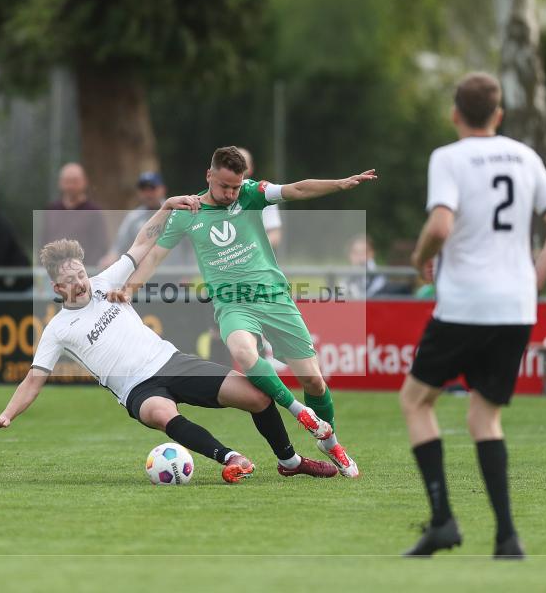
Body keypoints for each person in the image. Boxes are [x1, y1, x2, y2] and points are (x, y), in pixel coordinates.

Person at [0, 198, 338, 483]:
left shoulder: (106, 281)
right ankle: (230, 458)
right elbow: (34, 378)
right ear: (58, 288)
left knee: (257, 397)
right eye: (70, 279)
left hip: (172, 361)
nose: (80, 281)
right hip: (136, 388)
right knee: (160, 413)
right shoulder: (58, 328)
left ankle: (289, 461)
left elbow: (142, 243)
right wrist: (7, 414)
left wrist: (166, 208)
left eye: (80, 273)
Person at [116, 146, 378, 478]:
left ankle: (331, 443)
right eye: (225, 186)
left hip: (274, 298)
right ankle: (299, 412)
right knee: (242, 350)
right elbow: (153, 257)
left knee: (313, 380)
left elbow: (296, 189)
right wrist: (128, 289)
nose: (230, 193)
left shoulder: (252, 195)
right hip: (232, 303)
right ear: (209, 176)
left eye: (236, 187)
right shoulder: (187, 212)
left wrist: (339, 184)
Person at [400, 72, 546, 558]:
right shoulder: (524, 155)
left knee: (416, 401)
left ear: (455, 114)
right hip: (514, 308)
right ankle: (506, 537)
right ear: (499, 115)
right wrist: (533, 280)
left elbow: (440, 223)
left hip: (464, 304)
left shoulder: (448, 157)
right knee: (485, 416)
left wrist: (420, 260)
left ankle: (442, 521)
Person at [98, 171, 193, 270]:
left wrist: (188, 273)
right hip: (144, 279)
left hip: (175, 278)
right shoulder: (133, 218)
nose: (148, 194)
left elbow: (193, 246)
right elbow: (118, 248)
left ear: (163, 189)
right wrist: (108, 261)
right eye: (143, 189)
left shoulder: (177, 213)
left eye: (152, 188)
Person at [43, 163, 109, 267]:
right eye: (67, 181)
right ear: (60, 183)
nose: (71, 186)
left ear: (85, 182)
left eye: (75, 181)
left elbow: (100, 246)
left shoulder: (94, 212)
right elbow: (43, 241)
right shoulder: (52, 209)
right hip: (54, 273)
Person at [236, 148, 283, 249]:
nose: (238, 168)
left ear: (251, 168)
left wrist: (253, 250)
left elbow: (274, 234)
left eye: (242, 164)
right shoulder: (216, 197)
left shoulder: (264, 195)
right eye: (233, 164)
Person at [338, 235, 387, 299]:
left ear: (371, 253)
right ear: (350, 255)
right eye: (355, 253)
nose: (359, 257)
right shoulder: (345, 278)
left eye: (364, 252)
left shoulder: (379, 277)